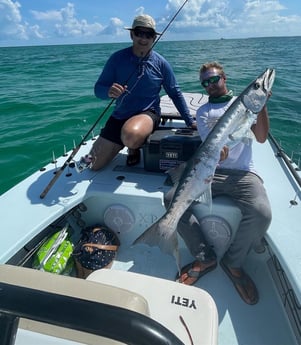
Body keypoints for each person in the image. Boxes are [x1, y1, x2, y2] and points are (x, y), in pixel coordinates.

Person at [175, 61, 272, 305]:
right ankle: (204, 256)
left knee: (262, 213)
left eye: (214, 79)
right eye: (205, 82)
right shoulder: (204, 112)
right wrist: (218, 155)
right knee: (170, 200)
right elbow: (214, 148)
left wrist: (262, 106)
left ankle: (233, 262)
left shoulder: (244, 104)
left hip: (243, 174)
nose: (210, 85)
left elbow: (261, 138)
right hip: (213, 171)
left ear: (224, 77)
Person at [78, 14, 194, 171]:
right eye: (140, 32)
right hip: (120, 116)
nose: (144, 38)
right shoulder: (116, 59)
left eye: (149, 34)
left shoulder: (161, 63)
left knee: (130, 135)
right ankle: (117, 142)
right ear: (132, 34)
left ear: (154, 38)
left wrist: (189, 121)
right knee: (91, 165)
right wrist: (108, 92)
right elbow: (98, 89)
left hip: (148, 113)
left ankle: (133, 147)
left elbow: (175, 92)